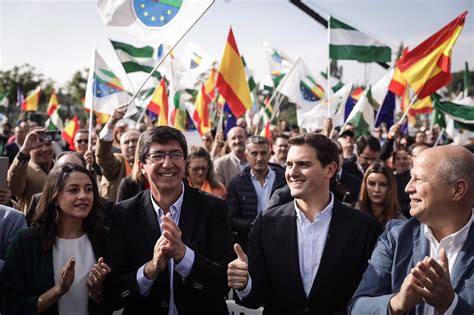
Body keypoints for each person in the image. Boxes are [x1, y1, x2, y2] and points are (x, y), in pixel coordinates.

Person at [227, 133, 382, 314]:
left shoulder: (364, 227)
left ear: (330, 170)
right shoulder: (266, 223)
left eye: (304, 164)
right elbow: (256, 297)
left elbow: (370, 295)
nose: (292, 172)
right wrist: (245, 284)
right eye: (290, 164)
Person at [104, 126, 234, 314]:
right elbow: (114, 293)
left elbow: (223, 283)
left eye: (175, 155)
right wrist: (150, 270)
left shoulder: (214, 208)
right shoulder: (124, 214)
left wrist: (184, 256)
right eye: (157, 156)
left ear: (185, 162)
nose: (167, 163)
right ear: (142, 166)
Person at [349, 145, 474, 314]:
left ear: (457, 189)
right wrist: (397, 303)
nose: (408, 187)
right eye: (410, 178)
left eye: (419, 179)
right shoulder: (396, 236)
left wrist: (450, 305)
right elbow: (358, 307)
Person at [2, 164, 111, 314]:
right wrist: (58, 290)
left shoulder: (105, 238)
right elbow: (12, 307)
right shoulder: (26, 241)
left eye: (89, 189)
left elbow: (118, 299)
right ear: (54, 197)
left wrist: (97, 292)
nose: (83, 196)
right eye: (73, 190)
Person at [227, 136, 286, 251]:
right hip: (250, 244)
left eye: (263, 153)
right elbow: (232, 219)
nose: (259, 158)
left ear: (270, 153)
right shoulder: (237, 183)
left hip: (281, 240)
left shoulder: (284, 179)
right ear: (246, 156)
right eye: (254, 153)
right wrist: (255, 224)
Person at [96, 105, 140, 201]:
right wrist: (111, 123)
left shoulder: (150, 162)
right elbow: (103, 156)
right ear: (120, 146)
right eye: (126, 142)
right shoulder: (118, 163)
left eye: (135, 140)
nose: (131, 145)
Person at [7, 128, 55, 212]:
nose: (44, 149)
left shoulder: (61, 167)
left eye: (48, 144)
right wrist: (24, 150)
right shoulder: (23, 170)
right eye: (38, 146)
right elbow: (14, 189)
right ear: (29, 148)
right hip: (33, 224)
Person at [357, 161, 403, 227]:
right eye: (372, 184)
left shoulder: (400, 223)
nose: (377, 190)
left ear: (390, 187)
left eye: (383, 185)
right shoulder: (353, 215)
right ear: (365, 186)